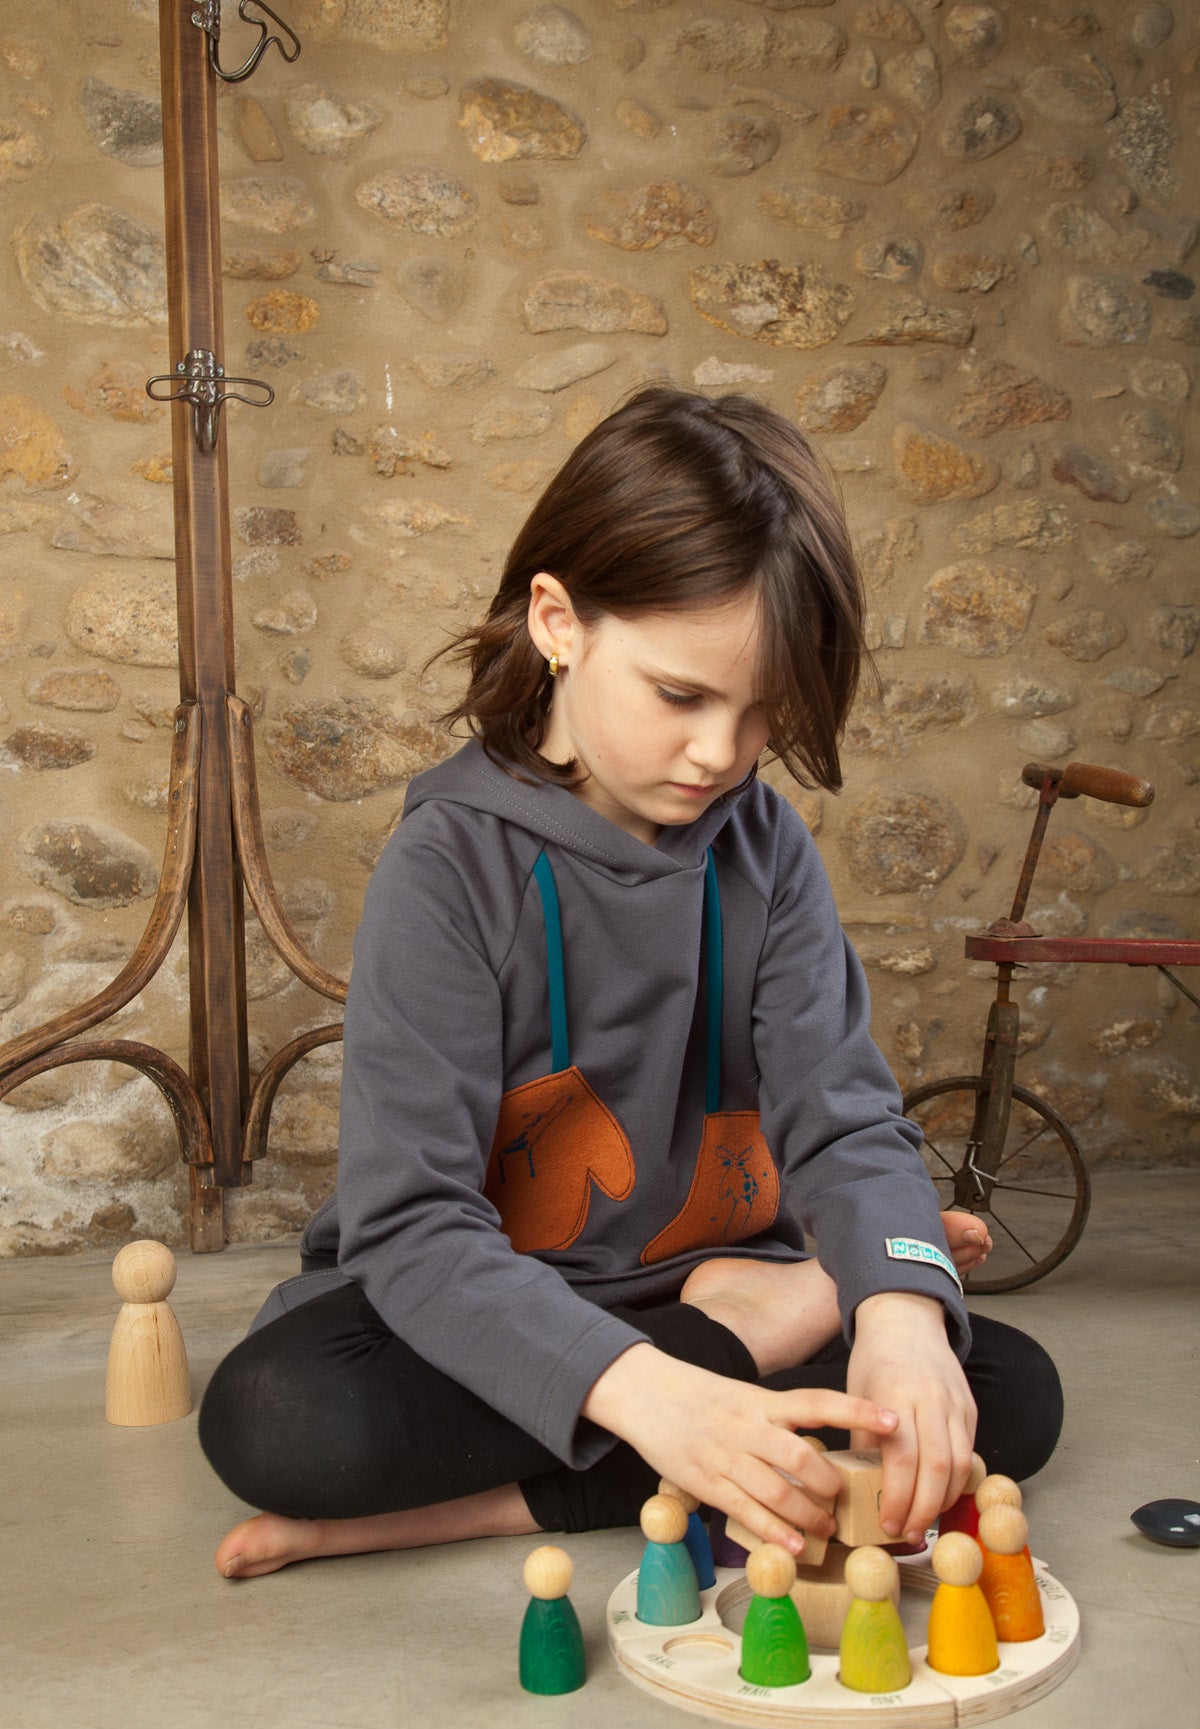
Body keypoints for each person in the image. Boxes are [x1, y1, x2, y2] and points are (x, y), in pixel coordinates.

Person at [199, 387, 1062, 1581]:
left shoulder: (766, 849)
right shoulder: (446, 865)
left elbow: (847, 1118)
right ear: (560, 621)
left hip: (703, 1275)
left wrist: (903, 1318)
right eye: (681, 696)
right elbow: (412, 1229)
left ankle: (484, 1505)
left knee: (999, 1394)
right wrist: (666, 1383)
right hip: (501, 1313)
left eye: (762, 712)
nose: (722, 753)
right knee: (281, 1415)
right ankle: (758, 1337)